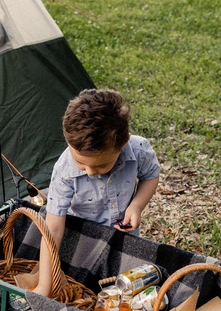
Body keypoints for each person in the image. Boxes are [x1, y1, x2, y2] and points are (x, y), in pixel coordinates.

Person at [34, 88, 160, 297]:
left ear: (122, 144)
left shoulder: (138, 149)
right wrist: (44, 285)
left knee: (125, 291)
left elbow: (151, 176)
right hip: (82, 241)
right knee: (83, 287)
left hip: (124, 239)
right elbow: (53, 229)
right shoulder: (64, 171)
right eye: (81, 163)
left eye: (101, 165)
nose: (91, 172)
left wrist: (136, 206)